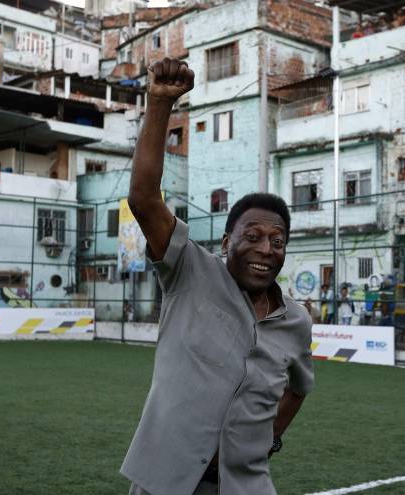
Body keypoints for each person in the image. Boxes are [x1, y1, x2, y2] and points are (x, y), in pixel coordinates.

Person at [120, 58, 314, 495]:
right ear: (227, 242)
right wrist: (160, 105)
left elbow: (299, 389)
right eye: (253, 236)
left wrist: (269, 440)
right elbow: (144, 199)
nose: (266, 249)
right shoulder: (189, 271)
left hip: (245, 485)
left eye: (278, 240)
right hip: (164, 483)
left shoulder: (296, 321)